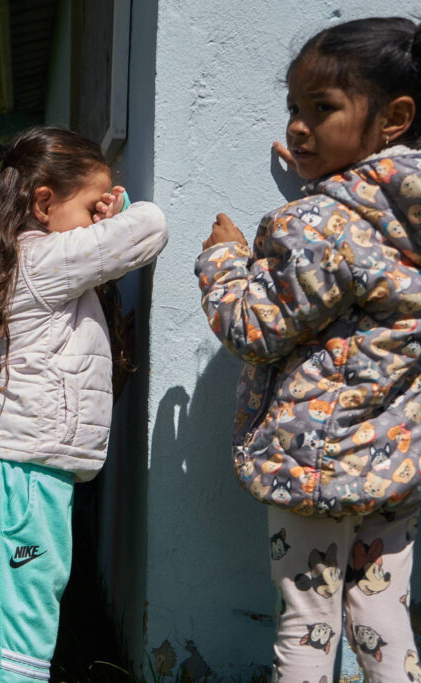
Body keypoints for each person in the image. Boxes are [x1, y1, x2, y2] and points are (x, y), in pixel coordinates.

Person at [195, 16, 421, 680]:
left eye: (322, 109)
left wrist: (224, 260)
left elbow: (253, 327)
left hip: (315, 470)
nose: (298, 125)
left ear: (395, 117)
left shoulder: (319, 224)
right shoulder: (391, 219)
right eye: (294, 106)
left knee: (307, 622)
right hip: (396, 463)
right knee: (384, 615)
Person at [0, 126, 168, 681]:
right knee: (17, 639)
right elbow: (149, 226)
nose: (96, 220)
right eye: (90, 207)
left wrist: (95, 212)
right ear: (42, 203)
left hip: (5, 472)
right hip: (20, 480)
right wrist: (122, 209)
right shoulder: (39, 262)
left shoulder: (11, 258)